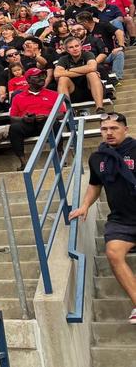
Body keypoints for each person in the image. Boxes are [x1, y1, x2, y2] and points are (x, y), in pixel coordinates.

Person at [70, 113, 136, 324]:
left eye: (114, 128)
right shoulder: (97, 157)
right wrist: (84, 206)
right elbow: (95, 185)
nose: (108, 132)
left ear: (125, 129)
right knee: (113, 252)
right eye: (104, 129)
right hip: (121, 220)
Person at [8, 68, 63, 170]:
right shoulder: (18, 97)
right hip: (28, 124)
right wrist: (24, 119)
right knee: (14, 128)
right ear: (28, 80)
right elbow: (12, 117)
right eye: (37, 76)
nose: (42, 78)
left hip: (47, 123)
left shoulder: (53, 94)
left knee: (55, 124)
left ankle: (60, 158)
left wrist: (47, 116)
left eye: (43, 76)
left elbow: (61, 114)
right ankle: (24, 163)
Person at [54, 37, 106, 113]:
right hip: (75, 93)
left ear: (81, 46)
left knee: (92, 74)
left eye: (76, 46)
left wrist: (69, 70)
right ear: (67, 50)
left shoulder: (88, 54)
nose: (75, 49)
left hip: (91, 90)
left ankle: (99, 108)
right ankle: (66, 111)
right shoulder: (63, 59)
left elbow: (92, 67)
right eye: (71, 47)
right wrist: (85, 70)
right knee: (62, 79)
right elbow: (57, 74)